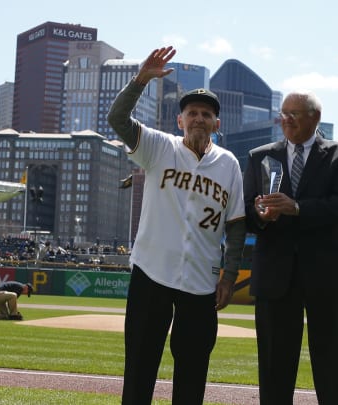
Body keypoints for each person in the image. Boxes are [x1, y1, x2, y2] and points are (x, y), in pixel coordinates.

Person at [107, 46, 246, 405]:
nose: (199, 118)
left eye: (206, 114)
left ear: (217, 123)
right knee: (140, 367)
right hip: (151, 273)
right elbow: (118, 119)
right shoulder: (158, 146)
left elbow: (235, 225)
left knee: (194, 371)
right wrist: (140, 79)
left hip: (200, 283)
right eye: (192, 113)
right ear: (179, 120)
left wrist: (228, 277)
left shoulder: (229, 164)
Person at [243, 90, 338, 404]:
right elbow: (247, 215)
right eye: (284, 113)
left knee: (334, 365)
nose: (287, 119)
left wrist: (298, 208)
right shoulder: (259, 156)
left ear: (315, 118)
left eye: (295, 113)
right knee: (273, 368)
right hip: (275, 275)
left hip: (328, 276)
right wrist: (262, 216)